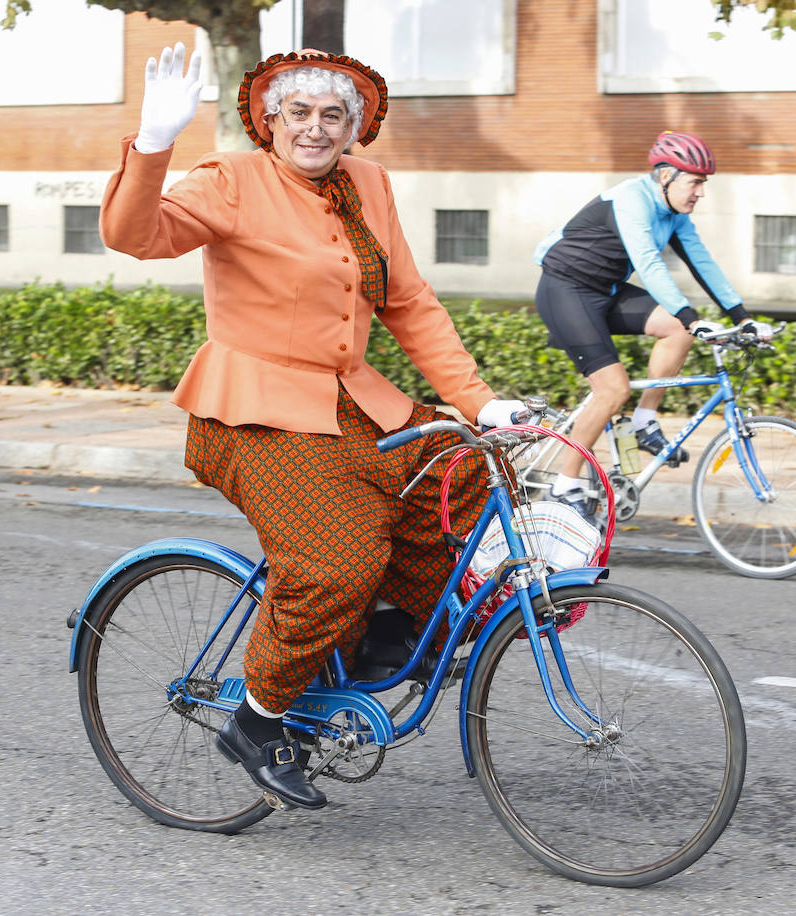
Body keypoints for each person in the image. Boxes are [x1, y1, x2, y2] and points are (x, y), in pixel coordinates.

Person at [98, 45, 524, 811]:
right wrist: (154, 142)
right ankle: (258, 722)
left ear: (355, 126)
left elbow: (409, 303)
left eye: (334, 115)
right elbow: (138, 236)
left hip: (352, 402)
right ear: (269, 119)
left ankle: (381, 638)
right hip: (252, 410)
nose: (316, 128)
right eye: (299, 112)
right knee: (335, 564)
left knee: (470, 474)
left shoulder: (369, 183)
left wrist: (479, 402)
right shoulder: (232, 179)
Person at [533, 131, 769, 517]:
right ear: (666, 177)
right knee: (612, 390)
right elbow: (648, 263)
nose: (701, 192)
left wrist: (741, 317)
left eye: (703, 183)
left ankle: (644, 422)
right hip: (565, 291)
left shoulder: (675, 214)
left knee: (675, 330)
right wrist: (691, 318)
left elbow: (702, 263)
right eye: (695, 182)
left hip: (605, 291)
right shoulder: (630, 199)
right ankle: (565, 484)